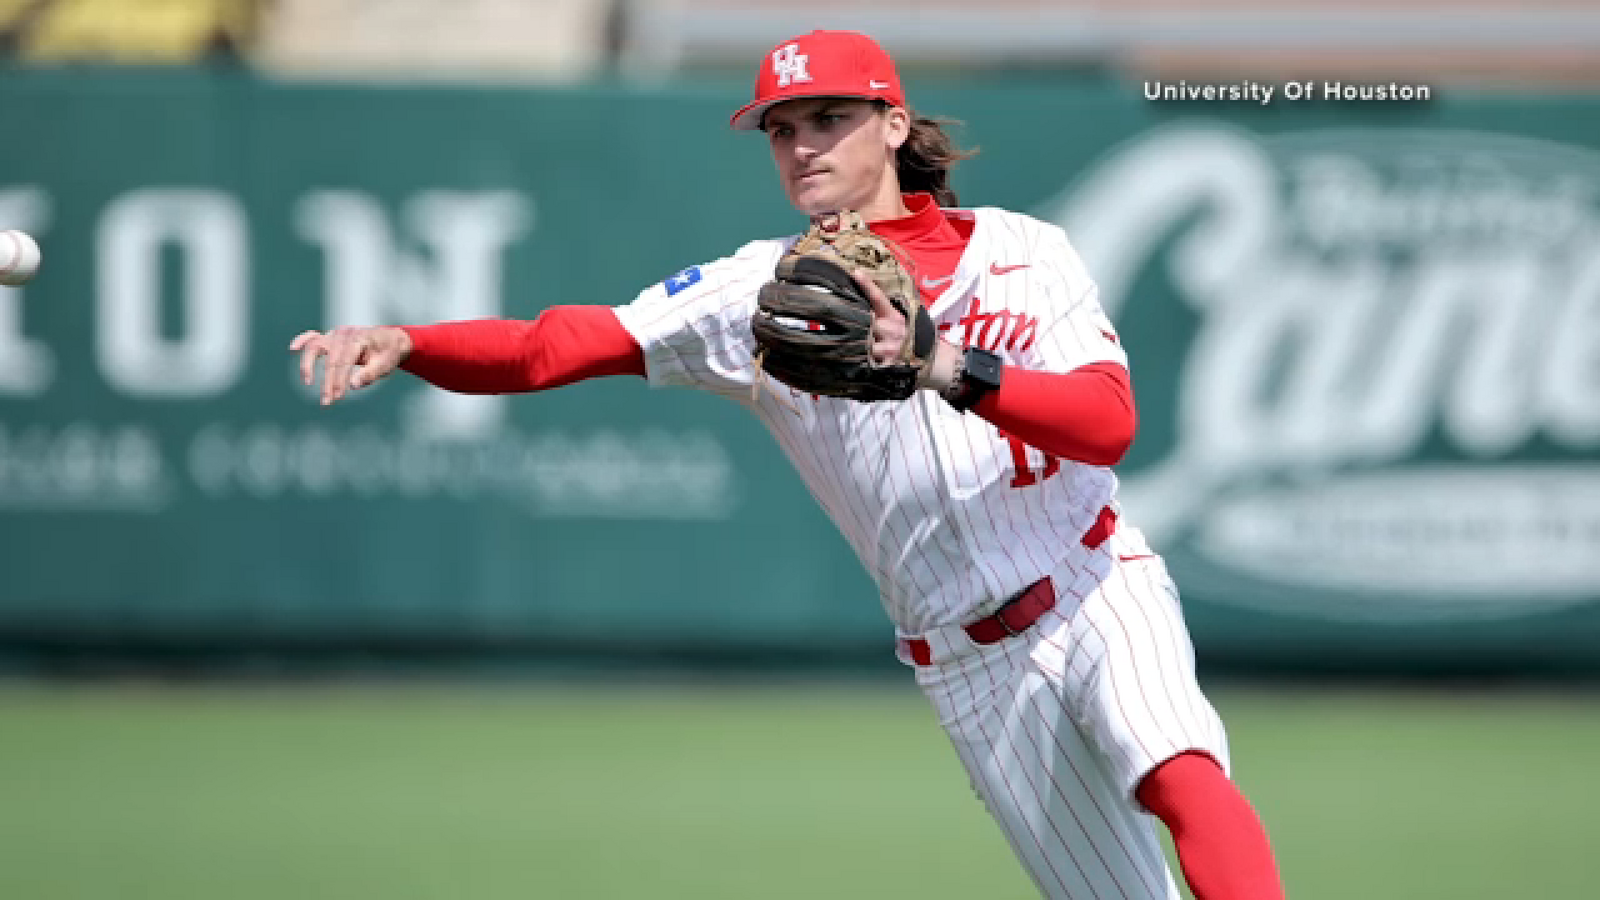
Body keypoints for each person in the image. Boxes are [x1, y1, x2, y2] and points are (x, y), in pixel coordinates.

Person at [289, 30, 1286, 900]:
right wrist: (414, 341)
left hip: (1095, 578)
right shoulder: (752, 296)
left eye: (827, 117)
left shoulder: (1027, 251)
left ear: (892, 123)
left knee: (1174, 764)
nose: (801, 143)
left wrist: (942, 364)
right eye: (780, 126)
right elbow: (563, 343)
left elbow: (1107, 425)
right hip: (970, 663)